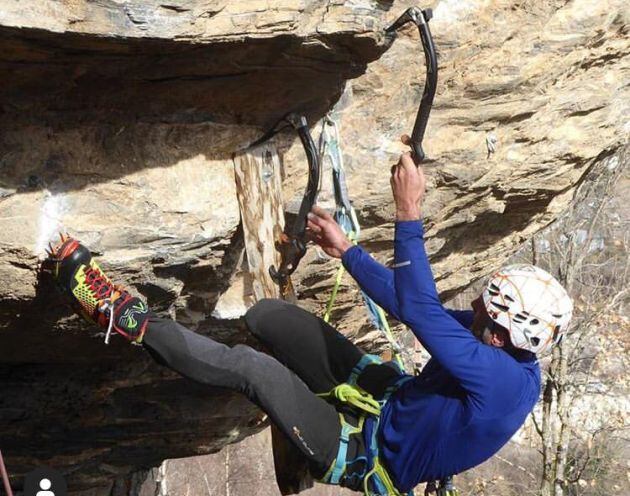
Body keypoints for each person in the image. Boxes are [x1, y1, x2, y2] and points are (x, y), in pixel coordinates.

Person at [43, 136, 572, 495]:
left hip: (368, 455)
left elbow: (420, 308)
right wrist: (346, 252)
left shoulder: (500, 380)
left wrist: (409, 213)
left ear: (503, 334)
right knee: (270, 316)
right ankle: (290, 422)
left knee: (255, 368)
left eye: (484, 306)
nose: (474, 306)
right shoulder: (499, 343)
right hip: (384, 397)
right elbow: (405, 302)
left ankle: (123, 316)